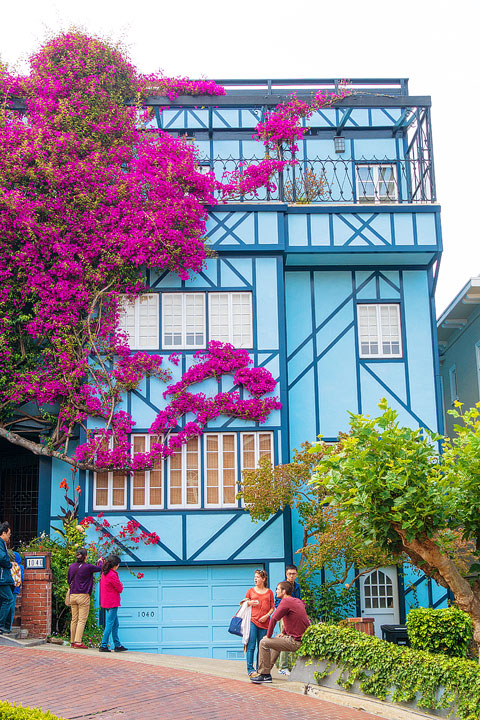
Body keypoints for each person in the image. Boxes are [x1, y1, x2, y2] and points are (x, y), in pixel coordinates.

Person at [251, 580, 310, 684]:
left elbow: (273, 618)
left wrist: (268, 636)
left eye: (278, 589)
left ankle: (264, 675)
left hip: (295, 642)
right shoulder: (295, 601)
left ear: (284, 591)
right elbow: (293, 619)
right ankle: (266, 670)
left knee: (263, 642)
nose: (276, 591)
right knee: (276, 643)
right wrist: (283, 632)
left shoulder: (285, 602)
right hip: (300, 639)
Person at [241, 569, 275, 677]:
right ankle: (250, 669)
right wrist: (249, 602)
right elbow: (242, 603)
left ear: (263, 579)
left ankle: (261, 669)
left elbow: (272, 607)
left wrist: (266, 616)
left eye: (258, 577)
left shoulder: (269, 592)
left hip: (265, 623)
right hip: (252, 621)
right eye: (255, 577)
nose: (255, 579)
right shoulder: (250, 591)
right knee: (251, 646)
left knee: (262, 646)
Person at [68, 548, 103, 649]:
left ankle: (72, 641)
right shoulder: (88, 567)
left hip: (73, 595)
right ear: (86, 556)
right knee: (81, 620)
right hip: (83, 595)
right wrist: (100, 561)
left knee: (74, 619)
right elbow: (99, 568)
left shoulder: (71, 566)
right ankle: (78, 642)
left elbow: (68, 580)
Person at [275, 564, 302, 675]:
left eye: (293, 574)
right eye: (289, 574)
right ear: (286, 574)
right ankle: (283, 666)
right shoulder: (281, 586)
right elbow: (277, 602)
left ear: (296, 574)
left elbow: (299, 601)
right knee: (285, 639)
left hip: (295, 617)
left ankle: (294, 665)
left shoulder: (297, 586)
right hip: (284, 616)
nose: (291, 576)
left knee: (295, 639)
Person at [99, 554, 127, 653]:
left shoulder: (104, 573)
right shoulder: (112, 574)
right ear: (115, 565)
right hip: (112, 602)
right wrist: (121, 585)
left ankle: (117, 644)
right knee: (110, 624)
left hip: (106, 602)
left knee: (115, 624)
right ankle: (103, 645)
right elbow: (120, 588)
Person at [0, 522, 15, 634]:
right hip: (2, 578)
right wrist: (9, 564)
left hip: (3, 577)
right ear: (3, 533)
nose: (9, 536)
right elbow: (2, 558)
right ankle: (1, 625)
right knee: (8, 599)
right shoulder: (0, 543)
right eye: (9, 534)